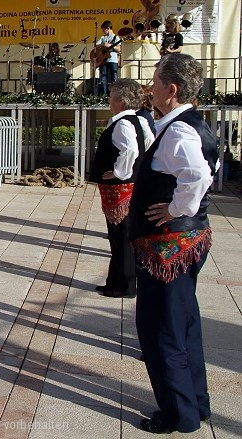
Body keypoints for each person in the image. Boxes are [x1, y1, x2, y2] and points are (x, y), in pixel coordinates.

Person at [131, 54, 219, 434]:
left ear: (172, 89)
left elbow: (197, 176)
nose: (149, 89)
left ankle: (178, 414)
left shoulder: (179, 131)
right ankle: (194, 402)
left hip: (168, 247)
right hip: (187, 240)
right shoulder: (190, 124)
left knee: (161, 329)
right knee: (184, 324)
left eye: (153, 82)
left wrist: (174, 208)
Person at [88, 79, 154, 298]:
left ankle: (125, 284)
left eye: (111, 97)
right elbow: (149, 144)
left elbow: (131, 151)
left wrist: (119, 173)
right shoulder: (137, 121)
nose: (109, 101)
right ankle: (114, 280)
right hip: (125, 187)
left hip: (121, 189)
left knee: (122, 235)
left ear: (121, 100)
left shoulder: (124, 124)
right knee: (117, 235)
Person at [96, 21, 121, 95]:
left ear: (108, 28)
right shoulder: (103, 37)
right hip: (103, 60)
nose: (103, 31)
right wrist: (103, 44)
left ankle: (114, 94)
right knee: (103, 77)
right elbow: (96, 46)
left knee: (114, 78)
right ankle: (104, 94)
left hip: (113, 60)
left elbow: (119, 49)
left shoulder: (116, 37)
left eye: (104, 30)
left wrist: (111, 46)